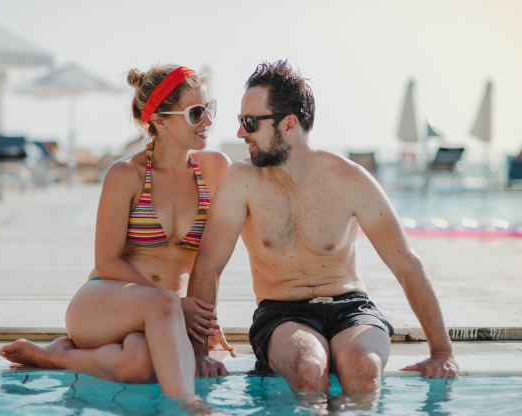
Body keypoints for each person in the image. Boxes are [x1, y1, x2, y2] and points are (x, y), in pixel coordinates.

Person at [187, 60, 459, 393]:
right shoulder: (240, 181)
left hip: (352, 307)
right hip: (281, 313)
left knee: (364, 368)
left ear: (288, 124)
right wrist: (199, 352)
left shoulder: (349, 179)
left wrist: (442, 351)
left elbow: (406, 263)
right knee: (309, 367)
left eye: (250, 122)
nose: (241, 133)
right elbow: (208, 265)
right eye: (241, 121)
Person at [0, 65, 232, 403]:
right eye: (196, 113)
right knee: (163, 303)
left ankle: (52, 356)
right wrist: (175, 306)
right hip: (106, 303)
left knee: (139, 366)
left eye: (209, 109)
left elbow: (209, 261)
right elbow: (106, 262)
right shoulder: (126, 174)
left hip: (163, 318)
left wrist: (199, 335)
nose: (208, 121)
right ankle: (191, 408)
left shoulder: (214, 168)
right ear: (160, 120)